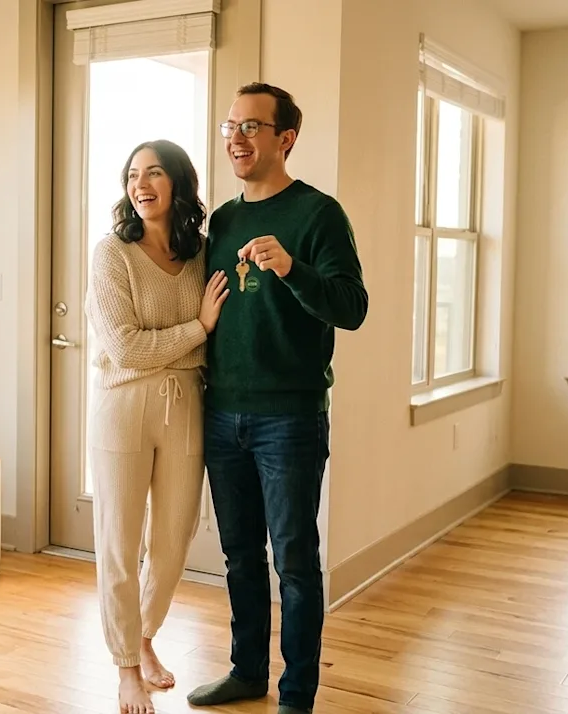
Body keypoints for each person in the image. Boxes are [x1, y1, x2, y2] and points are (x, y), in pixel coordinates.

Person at [185, 84, 368, 714]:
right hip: (221, 412)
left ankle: (296, 696)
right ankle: (246, 673)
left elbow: (352, 309)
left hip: (288, 418)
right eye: (229, 125)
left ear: (285, 138)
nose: (236, 138)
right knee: (238, 555)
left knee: (293, 561)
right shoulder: (224, 221)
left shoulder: (319, 215)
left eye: (251, 127)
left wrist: (292, 269)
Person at [84, 139, 228, 714]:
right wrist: (197, 328)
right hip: (123, 407)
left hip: (186, 402)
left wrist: (196, 335)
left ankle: (144, 637)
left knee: (173, 538)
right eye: (132, 175)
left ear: (177, 185)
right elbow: (122, 348)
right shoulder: (110, 254)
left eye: (154, 174)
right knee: (119, 542)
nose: (141, 185)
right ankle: (125, 667)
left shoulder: (200, 255)